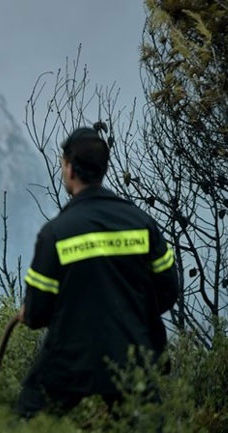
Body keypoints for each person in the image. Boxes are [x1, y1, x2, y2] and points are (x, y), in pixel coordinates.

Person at [16, 123, 179, 418]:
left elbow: (37, 311)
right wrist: (133, 318)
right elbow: (168, 289)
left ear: (69, 169)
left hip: (71, 357)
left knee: (28, 418)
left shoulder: (56, 233)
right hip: (131, 352)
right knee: (146, 424)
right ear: (102, 168)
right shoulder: (142, 223)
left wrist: (30, 312)